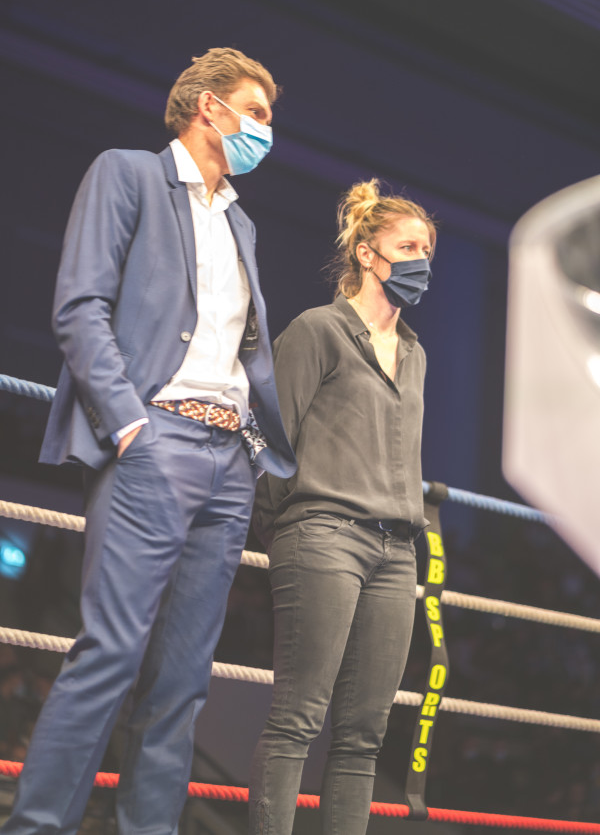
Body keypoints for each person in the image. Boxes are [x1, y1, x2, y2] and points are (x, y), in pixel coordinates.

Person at [2, 47, 295, 835]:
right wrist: (131, 422)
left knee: (183, 681)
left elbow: (242, 351)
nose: (268, 132)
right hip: (153, 441)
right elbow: (80, 307)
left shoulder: (241, 221)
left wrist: (259, 448)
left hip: (228, 459)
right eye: (257, 114)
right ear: (210, 108)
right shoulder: (127, 173)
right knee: (109, 656)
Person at [248, 179, 436, 835]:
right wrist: (284, 532)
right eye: (406, 246)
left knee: (364, 735)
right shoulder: (317, 330)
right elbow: (273, 438)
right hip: (323, 532)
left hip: (395, 549)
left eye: (427, 249)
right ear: (365, 252)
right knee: (299, 716)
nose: (420, 260)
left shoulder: (415, 354)